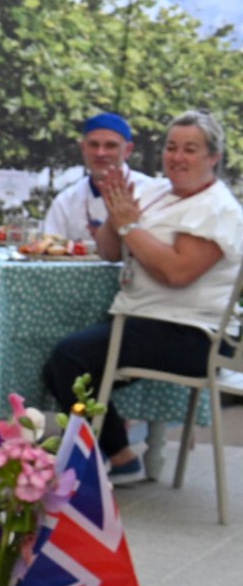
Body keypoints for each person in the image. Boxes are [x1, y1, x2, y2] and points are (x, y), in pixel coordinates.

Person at [45, 110, 243, 486]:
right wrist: (113, 213)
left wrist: (130, 226)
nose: (177, 157)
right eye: (171, 147)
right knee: (61, 365)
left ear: (213, 157)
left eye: (190, 149)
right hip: (142, 320)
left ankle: (114, 457)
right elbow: (109, 252)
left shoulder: (219, 208)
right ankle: (117, 454)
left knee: (70, 358)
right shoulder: (155, 191)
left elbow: (176, 273)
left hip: (190, 334)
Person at [42, 112, 156, 243]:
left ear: (128, 150)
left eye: (110, 146)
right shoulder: (66, 201)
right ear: (83, 147)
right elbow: (49, 247)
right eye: (93, 145)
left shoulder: (152, 192)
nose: (100, 153)